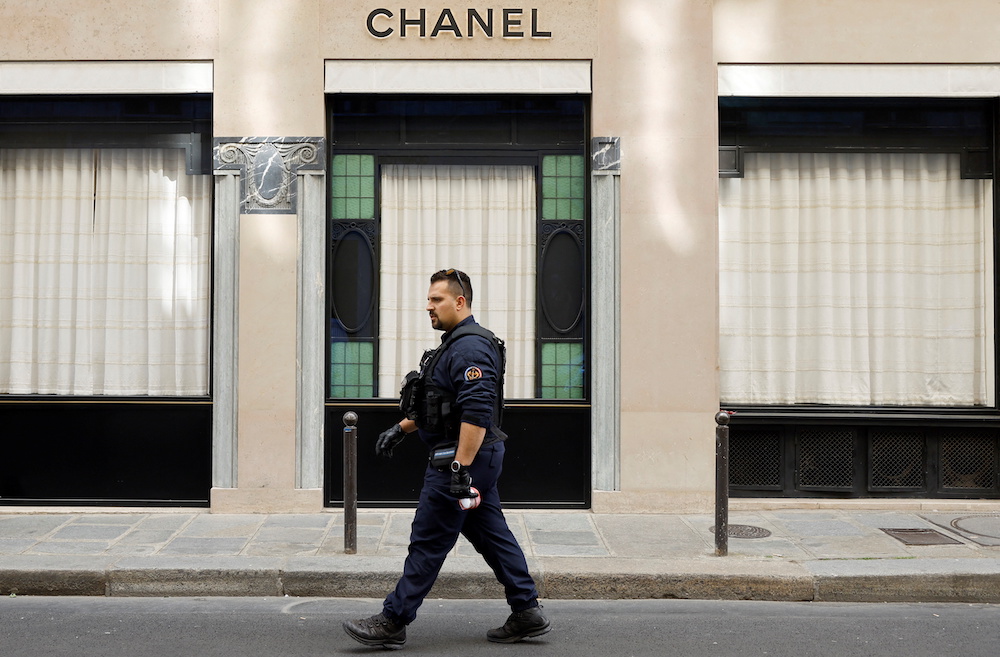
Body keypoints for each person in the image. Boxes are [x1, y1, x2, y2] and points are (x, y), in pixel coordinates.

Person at [343, 268, 550, 650]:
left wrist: (460, 467)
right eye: (428, 299)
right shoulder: (454, 344)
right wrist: (401, 429)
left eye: (436, 299)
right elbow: (440, 405)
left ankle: (394, 620)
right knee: (490, 532)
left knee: (429, 538)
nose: (429, 306)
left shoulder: (470, 347)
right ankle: (526, 610)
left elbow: (476, 411)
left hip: (461, 458)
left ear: (460, 302)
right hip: (472, 457)